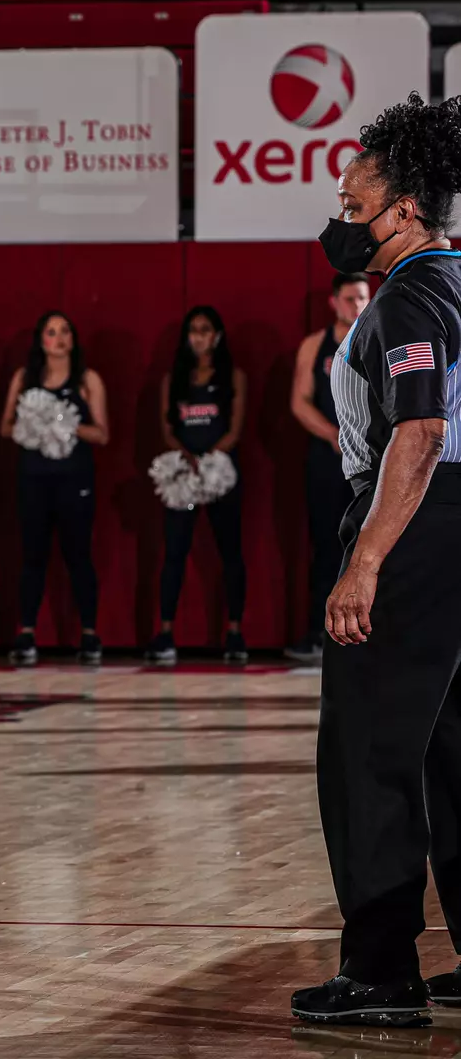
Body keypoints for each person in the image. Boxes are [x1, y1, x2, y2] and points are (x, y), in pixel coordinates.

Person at [290, 94, 461, 1027]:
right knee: (453, 748)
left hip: (419, 522)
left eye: (353, 205)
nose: (339, 217)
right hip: (455, 527)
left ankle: (381, 970)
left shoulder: (410, 295)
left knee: (367, 749)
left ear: (401, 213)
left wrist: (367, 562)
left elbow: (423, 429)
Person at [0, 311, 108, 665]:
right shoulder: (25, 378)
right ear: (41, 340)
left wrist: (65, 424)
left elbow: (102, 434)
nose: (58, 338)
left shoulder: (87, 379)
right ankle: (27, 632)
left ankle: (89, 634)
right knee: (33, 556)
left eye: (65, 332)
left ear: (73, 340)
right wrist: (33, 422)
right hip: (33, 478)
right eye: (51, 332)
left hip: (74, 479)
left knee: (78, 556)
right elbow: (5, 428)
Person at [144, 306, 249, 665]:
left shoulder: (232, 376)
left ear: (217, 335)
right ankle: (166, 632)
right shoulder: (173, 379)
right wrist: (186, 458)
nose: (199, 336)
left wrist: (210, 460)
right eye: (193, 330)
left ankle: (234, 632)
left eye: (206, 329)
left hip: (221, 475)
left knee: (230, 552)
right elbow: (166, 427)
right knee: (174, 552)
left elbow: (234, 428)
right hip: (183, 476)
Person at [287, 272, 373, 663]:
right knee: (326, 544)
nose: (357, 306)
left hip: (370, 461)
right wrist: (333, 436)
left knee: (368, 543)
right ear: (334, 301)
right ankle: (319, 632)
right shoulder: (314, 346)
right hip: (327, 459)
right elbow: (300, 402)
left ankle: (369, 630)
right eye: (350, 299)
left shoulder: (377, 336)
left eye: (363, 298)